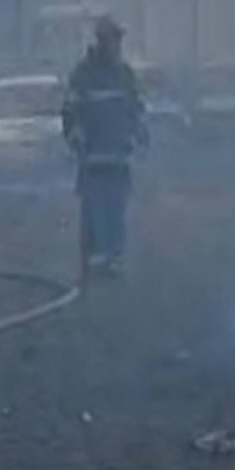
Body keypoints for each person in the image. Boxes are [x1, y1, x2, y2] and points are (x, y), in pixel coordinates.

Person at [62, 15, 147, 278]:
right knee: (94, 209)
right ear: (101, 42)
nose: (116, 45)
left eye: (117, 40)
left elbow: (136, 109)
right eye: (112, 40)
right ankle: (95, 257)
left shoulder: (124, 74)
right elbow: (70, 111)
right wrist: (75, 136)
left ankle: (114, 257)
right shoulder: (83, 74)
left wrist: (139, 135)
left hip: (119, 156)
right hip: (92, 157)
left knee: (116, 209)